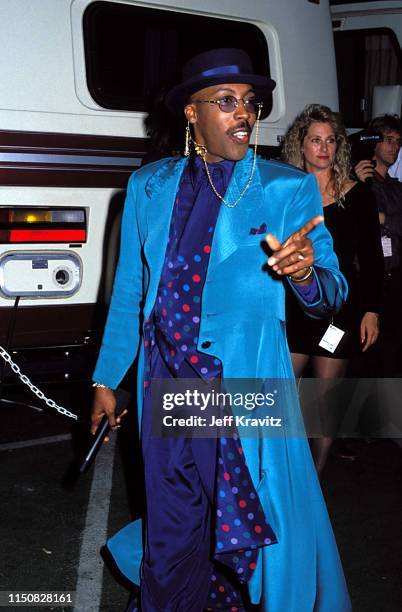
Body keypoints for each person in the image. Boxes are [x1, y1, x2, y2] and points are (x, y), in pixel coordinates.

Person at [91, 48, 351, 611]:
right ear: (191, 112)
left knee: (244, 522)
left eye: (250, 104)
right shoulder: (149, 186)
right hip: (165, 374)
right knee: (173, 520)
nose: (244, 114)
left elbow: (334, 294)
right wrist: (106, 379)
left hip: (237, 383)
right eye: (226, 102)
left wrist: (306, 273)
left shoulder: (287, 189)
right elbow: (132, 292)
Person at [281, 104, 383, 474]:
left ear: (339, 146)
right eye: (315, 140)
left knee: (325, 404)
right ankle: (286, 478)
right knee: (283, 398)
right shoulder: (287, 190)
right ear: (301, 145)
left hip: (341, 311)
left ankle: (316, 484)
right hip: (292, 307)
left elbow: (372, 259)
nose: (323, 148)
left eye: (330, 140)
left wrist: (372, 310)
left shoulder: (358, 195)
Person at [354, 114, 402, 377]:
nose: (393, 146)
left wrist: (383, 219)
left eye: (397, 141)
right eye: (387, 140)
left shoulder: (397, 188)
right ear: (374, 142)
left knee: (391, 352)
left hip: (394, 278)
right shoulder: (360, 179)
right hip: (366, 277)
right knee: (364, 350)